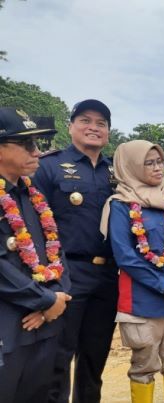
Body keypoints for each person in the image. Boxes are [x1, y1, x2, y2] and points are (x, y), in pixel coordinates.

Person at [101, 140, 164, 403]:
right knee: (144, 367)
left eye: (159, 162)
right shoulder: (120, 205)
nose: (158, 168)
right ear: (130, 166)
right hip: (143, 301)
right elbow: (125, 257)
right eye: (149, 163)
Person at [34, 99, 117, 403]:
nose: (93, 128)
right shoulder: (48, 166)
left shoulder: (116, 173)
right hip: (67, 272)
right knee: (58, 356)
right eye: (85, 120)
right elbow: (31, 224)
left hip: (108, 275)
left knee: (95, 355)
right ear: (70, 126)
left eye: (101, 123)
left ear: (108, 132)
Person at [0, 107, 72, 402]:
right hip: (9, 326)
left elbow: (54, 249)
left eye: (38, 143)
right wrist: (45, 301)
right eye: (26, 143)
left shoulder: (30, 194)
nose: (36, 151)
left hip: (43, 323)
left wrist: (58, 296)